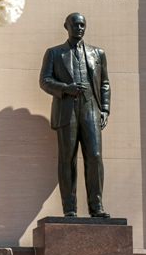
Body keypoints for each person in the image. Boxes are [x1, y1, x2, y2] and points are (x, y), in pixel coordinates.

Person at [39, 12, 111, 217]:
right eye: (75, 25)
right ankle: (69, 209)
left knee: (95, 157)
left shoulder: (98, 53)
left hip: (91, 109)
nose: (79, 28)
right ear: (66, 26)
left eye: (82, 25)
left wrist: (104, 108)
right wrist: (66, 88)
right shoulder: (54, 53)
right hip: (66, 110)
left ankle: (96, 207)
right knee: (67, 158)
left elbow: (104, 83)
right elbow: (44, 80)